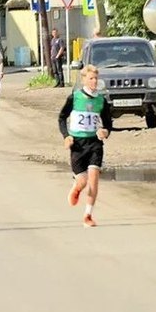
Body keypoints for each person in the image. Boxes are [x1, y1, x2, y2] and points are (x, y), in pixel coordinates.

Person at [58, 64, 112, 228]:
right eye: (91, 78)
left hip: (94, 143)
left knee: (94, 179)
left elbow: (108, 124)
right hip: (78, 144)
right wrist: (66, 136)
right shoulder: (74, 98)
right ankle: (76, 187)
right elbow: (61, 118)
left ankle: (88, 215)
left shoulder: (101, 101)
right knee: (82, 181)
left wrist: (105, 132)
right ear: (83, 80)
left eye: (96, 78)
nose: (94, 81)